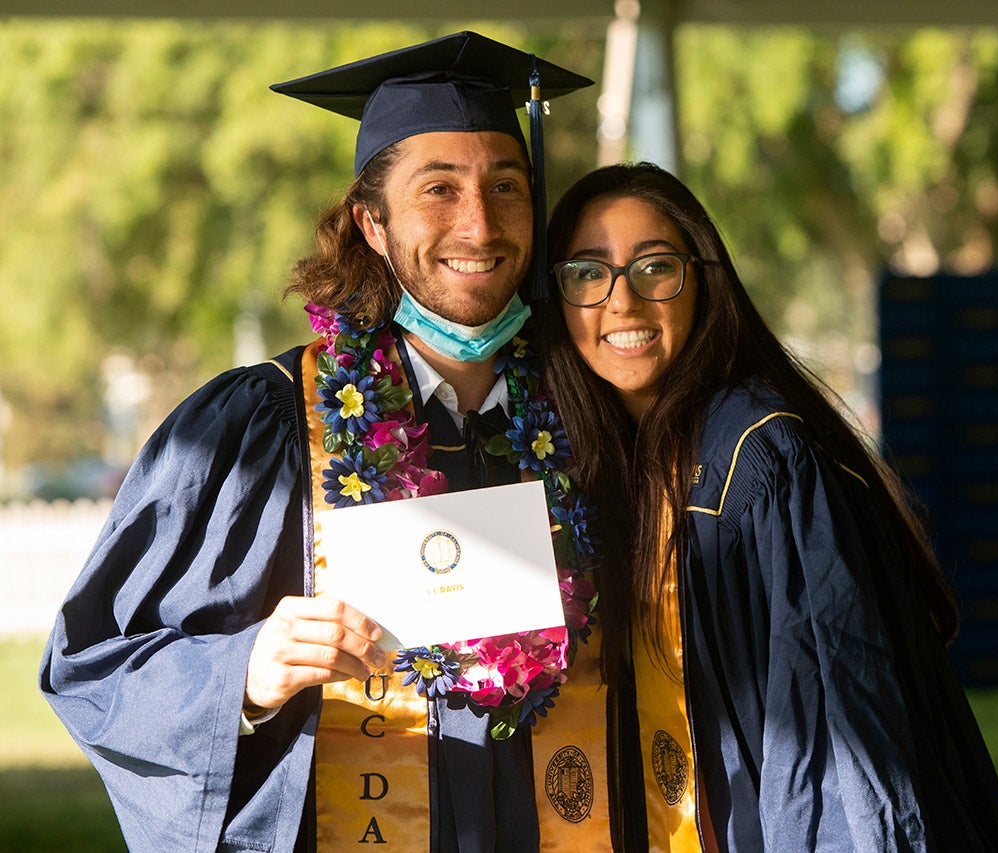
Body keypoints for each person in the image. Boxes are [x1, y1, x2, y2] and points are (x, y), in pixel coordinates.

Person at [40, 32, 598, 852]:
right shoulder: (258, 426)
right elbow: (89, 663)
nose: (479, 222)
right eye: (437, 188)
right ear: (372, 223)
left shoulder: (586, 420)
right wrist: (245, 673)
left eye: (505, 185)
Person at [536, 162, 998, 850]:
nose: (622, 301)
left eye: (655, 266)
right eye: (587, 272)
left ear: (704, 278)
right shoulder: (607, 461)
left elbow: (831, 725)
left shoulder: (763, 456)